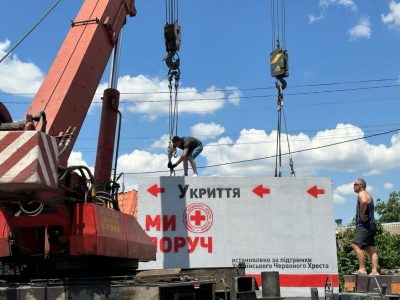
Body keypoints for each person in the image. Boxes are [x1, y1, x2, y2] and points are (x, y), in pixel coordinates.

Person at [351, 178, 379, 275]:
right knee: (370, 249)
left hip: (364, 225)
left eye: (355, 184)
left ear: (361, 186)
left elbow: (363, 201)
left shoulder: (362, 193)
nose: (354, 186)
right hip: (371, 225)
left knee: (355, 245)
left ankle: (362, 269)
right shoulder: (367, 194)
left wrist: (362, 215)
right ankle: (374, 271)